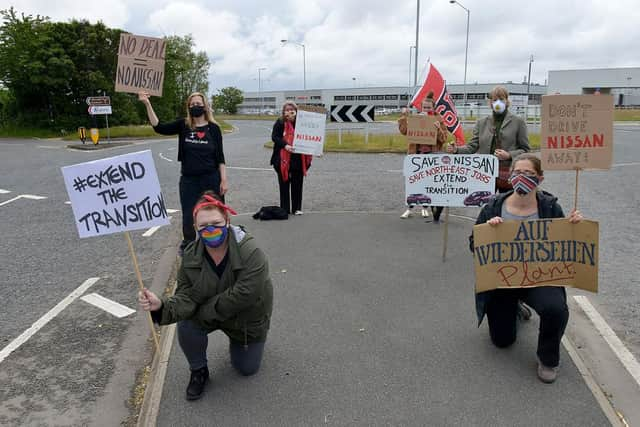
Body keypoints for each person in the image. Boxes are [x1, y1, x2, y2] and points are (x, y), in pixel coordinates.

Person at [138, 192, 273, 400]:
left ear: (227, 221)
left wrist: (202, 312)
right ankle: (198, 370)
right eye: (204, 226)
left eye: (216, 223)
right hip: (210, 313)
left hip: (244, 319)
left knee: (246, 368)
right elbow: (185, 296)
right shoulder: (191, 255)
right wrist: (161, 306)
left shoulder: (251, 251)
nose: (211, 229)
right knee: (186, 323)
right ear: (196, 228)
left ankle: (239, 343)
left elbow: (244, 295)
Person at [469, 153, 583, 383]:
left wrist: (575, 227)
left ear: (540, 179)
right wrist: (488, 232)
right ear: (510, 177)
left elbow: (566, 246)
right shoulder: (494, 206)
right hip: (503, 280)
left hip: (539, 277)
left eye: (528, 174)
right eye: (517, 173)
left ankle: (548, 358)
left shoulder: (550, 207)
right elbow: (474, 245)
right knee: (502, 341)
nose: (522, 178)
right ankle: (516, 309)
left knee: (556, 309)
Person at [139, 91, 228, 251]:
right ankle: (190, 246)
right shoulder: (184, 125)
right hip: (189, 180)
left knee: (216, 212)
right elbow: (159, 127)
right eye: (192, 104)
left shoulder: (214, 129)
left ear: (205, 106)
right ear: (189, 107)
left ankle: (219, 243)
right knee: (188, 215)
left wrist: (223, 180)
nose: (196, 107)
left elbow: (220, 157)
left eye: (199, 104)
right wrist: (147, 103)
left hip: (211, 178)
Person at [446, 86, 530, 193]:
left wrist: (509, 155)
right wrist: (456, 149)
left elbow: (526, 150)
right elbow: (472, 147)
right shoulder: (481, 123)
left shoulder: (518, 122)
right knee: (488, 205)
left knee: (506, 204)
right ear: (490, 102)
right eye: (495, 100)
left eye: (501, 99)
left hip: (508, 172)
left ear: (507, 101)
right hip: (485, 174)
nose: (498, 103)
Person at [398, 91, 449, 220]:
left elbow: (444, 139)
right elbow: (404, 131)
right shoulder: (416, 118)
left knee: (428, 182)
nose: (426, 110)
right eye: (424, 107)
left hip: (432, 156)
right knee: (413, 182)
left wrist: (438, 128)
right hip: (416, 155)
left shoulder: (438, 120)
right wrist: (404, 117)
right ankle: (410, 207)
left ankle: (426, 207)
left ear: (433, 108)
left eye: (428, 107)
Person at [270, 101, 312, 215]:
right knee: (284, 183)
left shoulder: (302, 123)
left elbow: (310, 137)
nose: (289, 112)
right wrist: (285, 145)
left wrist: (315, 149)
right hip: (282, 158)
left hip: (298, 157)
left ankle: (297, 208)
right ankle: (285, 208)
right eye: (287, 110)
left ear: (296, 111)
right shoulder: (280, 122)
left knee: (297, 183)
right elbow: (275, 137)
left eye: (292, 109)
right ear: (283, 112)